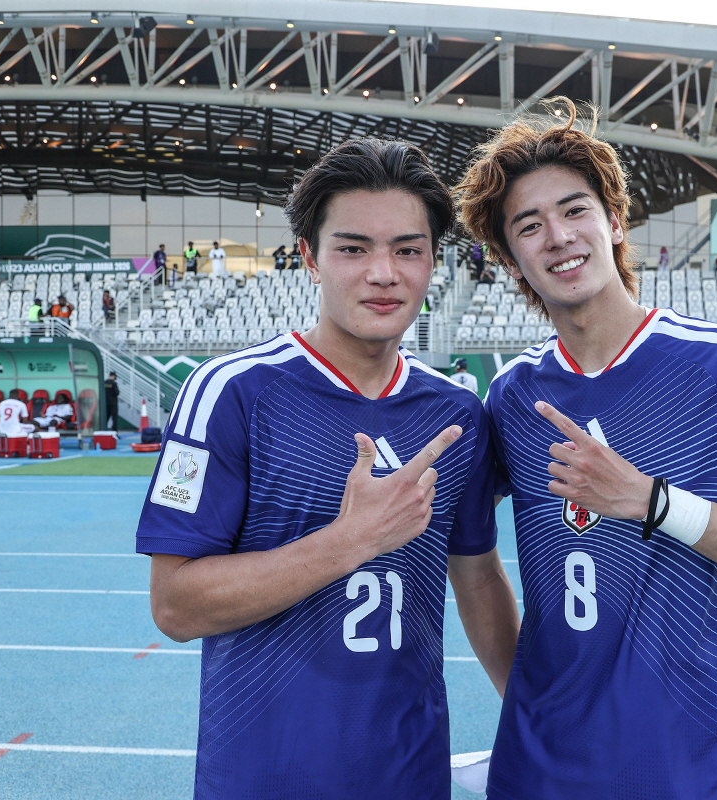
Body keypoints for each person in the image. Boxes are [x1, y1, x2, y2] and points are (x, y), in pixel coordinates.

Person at [455, 97, 717, 799]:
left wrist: (652, 501)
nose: (558, 237)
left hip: (674, 763)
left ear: (615, 221)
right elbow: (471, 564)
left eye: (575, 210)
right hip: (536, 768)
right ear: (509, 260)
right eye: (529, 226)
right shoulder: (510, 395)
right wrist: (532, 703)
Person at [137, 137, 519, 799]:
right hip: (264, 779)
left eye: (408, 250)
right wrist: (348, 542)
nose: (383, 273)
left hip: (412, 776)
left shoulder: (457, 414)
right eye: (353, 249)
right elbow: (175, 605)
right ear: (311, 258)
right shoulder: (231, 392)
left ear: (434, 261)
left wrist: (537, 718)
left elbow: (479, 578)